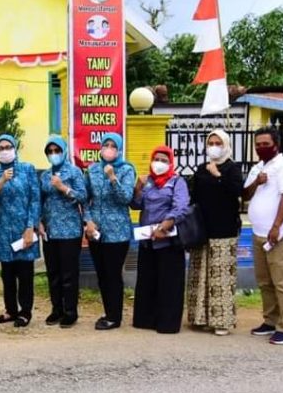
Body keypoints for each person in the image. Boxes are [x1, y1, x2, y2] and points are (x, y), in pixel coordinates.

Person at [242, 127, 283, 345]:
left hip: (279, 234)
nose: (261, 148)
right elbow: (245, 194)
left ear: (276, 145)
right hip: (258, 233)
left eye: (266, 144)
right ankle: (270, 319)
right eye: (258, 144)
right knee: (264, 281)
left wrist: (276, 227)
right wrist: (257, 181)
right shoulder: (257, 167)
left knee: (282, 282)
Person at [187, 129, 244, 336]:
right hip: (202, 229)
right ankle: (199, 317)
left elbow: (236, 192)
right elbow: (194, 196)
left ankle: (222, 321)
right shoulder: (202, 168)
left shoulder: (232, 168)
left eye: (218, 143)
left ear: (226, 145)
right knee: (200, 275)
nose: (213, 147)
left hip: (224, 230)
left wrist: (218, 175)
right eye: (210, 143)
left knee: (220, 277)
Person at [131, 145, 190, 334]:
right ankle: (146, 319)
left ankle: (167, 323)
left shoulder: (177, 181)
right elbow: (136, 205)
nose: (159, 163)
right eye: (156, 159)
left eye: (164, 160)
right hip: (148, 240)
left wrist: (165, 225)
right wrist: (137, 189)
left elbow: (181, 206)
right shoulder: (147, 181)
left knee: (169, 283)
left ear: (171, 163)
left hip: (168, 240)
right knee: (147, 281)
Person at [0, 134, 40, 327]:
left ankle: (25, 312)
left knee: (25, 273)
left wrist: (30, 226)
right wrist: (0, 182)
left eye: (8, 147)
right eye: (1, 148)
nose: (5, 150)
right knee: (7, 274)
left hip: (24, 229)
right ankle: (10, 310)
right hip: (3, 231)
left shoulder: (27, 169)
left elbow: (35, 198)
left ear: (15, 149)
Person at [83, 133, 136, 330]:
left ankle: (115, 317)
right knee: (102, 275)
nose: (109, 148)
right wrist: (87, 221)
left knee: (113, 274)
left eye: (114, 145)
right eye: (106, 145)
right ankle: (108, 312)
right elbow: (86, 199)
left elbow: (126, 198)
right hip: (96, 232)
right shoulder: (92, 170)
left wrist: (113, 178)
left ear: (119, 149)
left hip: (118, 232)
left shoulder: (127, 169)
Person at [39, 136, 88, 328]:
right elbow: (40, 201)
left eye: (56, 151)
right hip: (49, 231)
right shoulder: (44, 175)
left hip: (69, 231)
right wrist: (39, 222)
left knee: (69, 274)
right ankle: (56, 309)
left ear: (64, 151)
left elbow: (83, 196)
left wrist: (63, 188)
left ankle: (70, 311)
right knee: (53, 273)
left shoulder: (74, 172)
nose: (53, 155)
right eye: (50, 152)